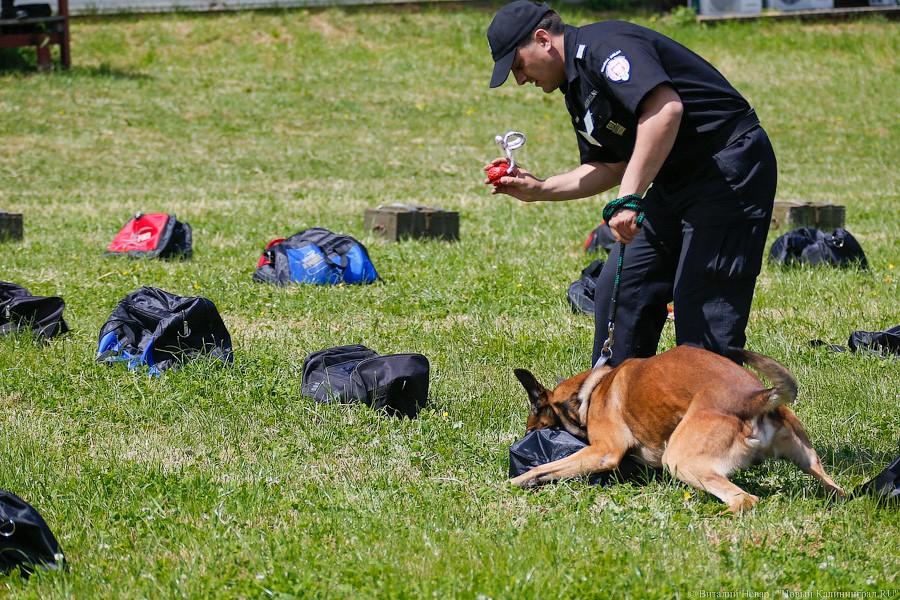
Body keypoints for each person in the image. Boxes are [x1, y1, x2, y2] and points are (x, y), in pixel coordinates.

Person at [484, 1, 777, 367]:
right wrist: (541, 189)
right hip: (675, 181)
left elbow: (664, 110)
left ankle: (717, 400)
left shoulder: (605, 48)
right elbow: (611, 164)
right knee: (621, 288)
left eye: (517, 65)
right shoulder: (576, 87)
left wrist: (629, 198)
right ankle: (612, 395)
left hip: (726, 167)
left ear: (543, 40)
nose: (520, 79)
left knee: (701, 308)